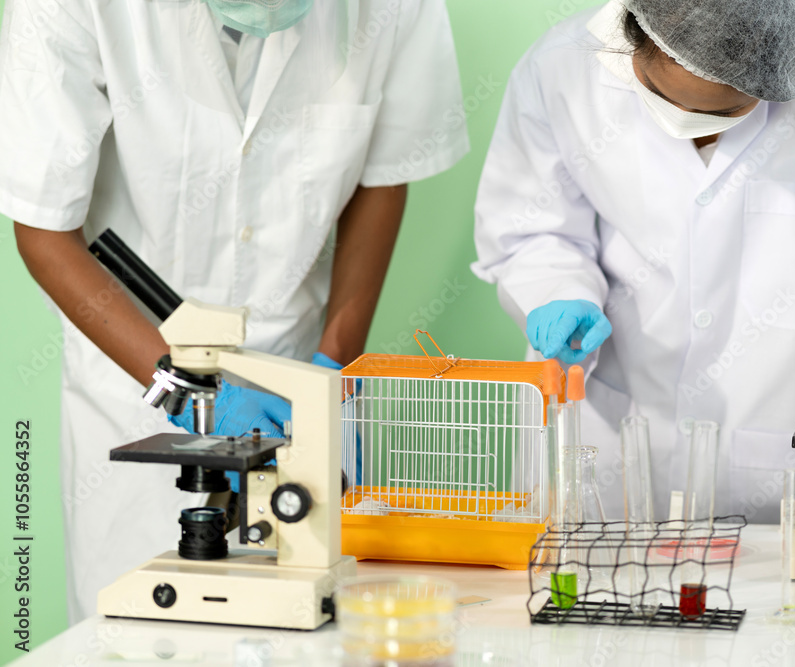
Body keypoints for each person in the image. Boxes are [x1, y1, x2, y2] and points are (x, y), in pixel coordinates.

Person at [0, 0, 469, 623]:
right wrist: (194, 397)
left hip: (294, 366)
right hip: (131, 367)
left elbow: (382, 176)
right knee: (136, 634)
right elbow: (45, 233)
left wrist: (332, 368)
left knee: (303, 627)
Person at [473, 0, 795, 538]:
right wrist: (558, 290)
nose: (690, 125)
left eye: (727, 110)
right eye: (663, 97)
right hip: (608, 471)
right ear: (635, 34)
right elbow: (533, 229)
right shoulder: (560, 68)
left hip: (775, 498)